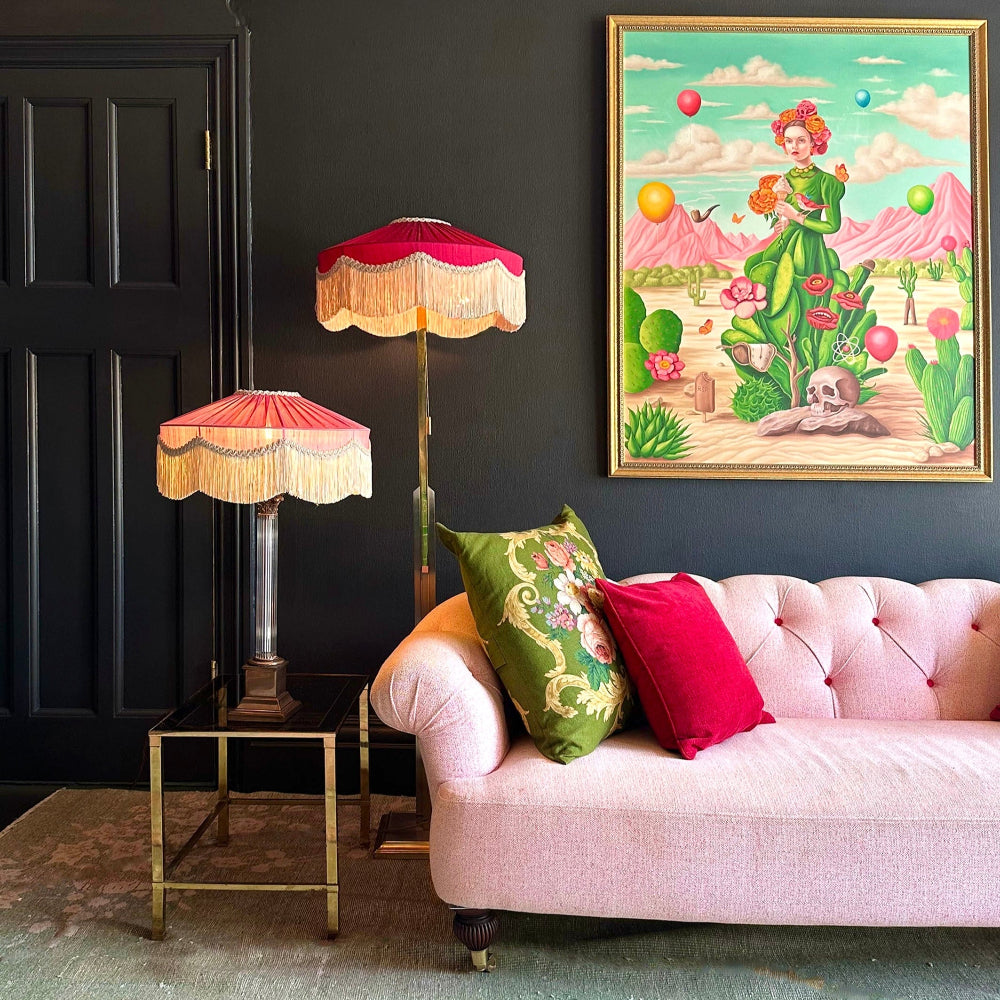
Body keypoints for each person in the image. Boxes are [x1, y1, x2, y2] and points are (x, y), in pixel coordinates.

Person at [744, 100, 845, 280]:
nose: (794, 146)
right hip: (784, 245)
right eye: (789, 141)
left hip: (808, 250)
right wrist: (783, 223)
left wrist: (796, 217)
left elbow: (832, 226)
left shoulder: (826, 181)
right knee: (756, 266)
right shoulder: (784, 180)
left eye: (801, 140)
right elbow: (786, 217)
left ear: (813, 143)